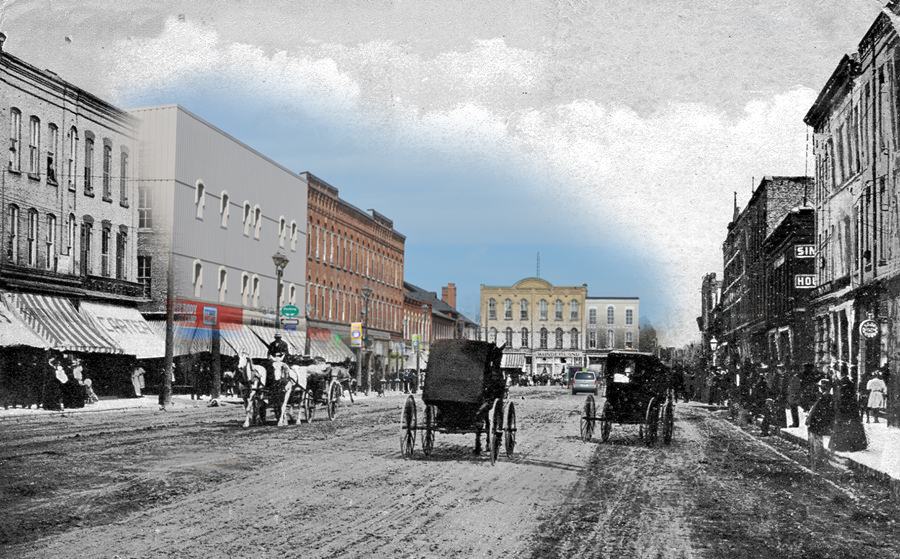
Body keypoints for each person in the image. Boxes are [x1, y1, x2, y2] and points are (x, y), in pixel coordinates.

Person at [829, 366, 867, 452]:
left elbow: (841, 397)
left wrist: (838, 406)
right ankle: (854, 444)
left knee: (843, 426)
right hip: (850, 408)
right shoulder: (848, 382)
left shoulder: (843, 383)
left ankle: (844, 445)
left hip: (844, 408)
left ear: (840, 373)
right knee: (852, 426)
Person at [805, 378, 835, 471]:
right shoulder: (825, 397)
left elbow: (820, 412)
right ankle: (816, 460)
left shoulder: (824, 398)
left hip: (816, 424)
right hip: (816, 423)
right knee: (815, 443)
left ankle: (817, 462)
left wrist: (812, 420)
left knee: (816, 443)